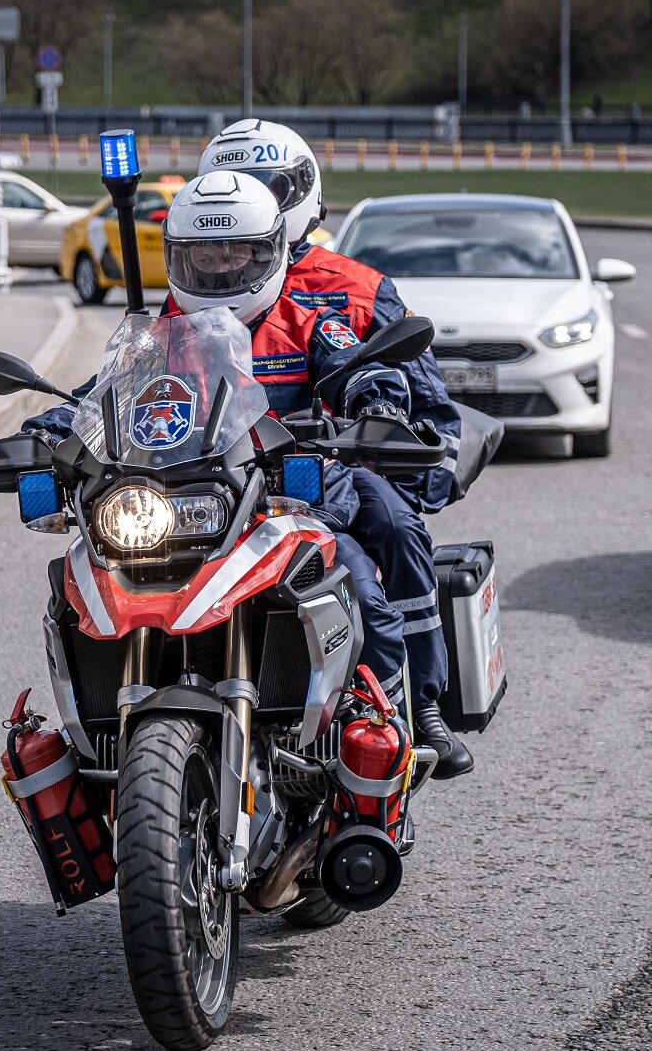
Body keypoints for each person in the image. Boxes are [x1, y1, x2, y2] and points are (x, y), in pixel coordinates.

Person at [24, 170, 419, 702]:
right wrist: (45, 430)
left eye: (234, 254)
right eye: (202, 256)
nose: (217, 268)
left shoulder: (309, 323)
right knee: (95, 580)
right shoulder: (160, 339)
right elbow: (100, 395)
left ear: (269, 253)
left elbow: (356, 367)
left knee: (364, 588)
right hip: (191, 503)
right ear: (178, 258)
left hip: (292, 498)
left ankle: (399, 710)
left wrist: (378, 401)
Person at [197, 119, 472, 778]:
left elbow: (413, 397)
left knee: (394, 529)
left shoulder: (353, 289)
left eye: (270, 186)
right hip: (217, 477)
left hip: (330, 468)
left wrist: (396, 441)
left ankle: (416, 705)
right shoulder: (197, 293)